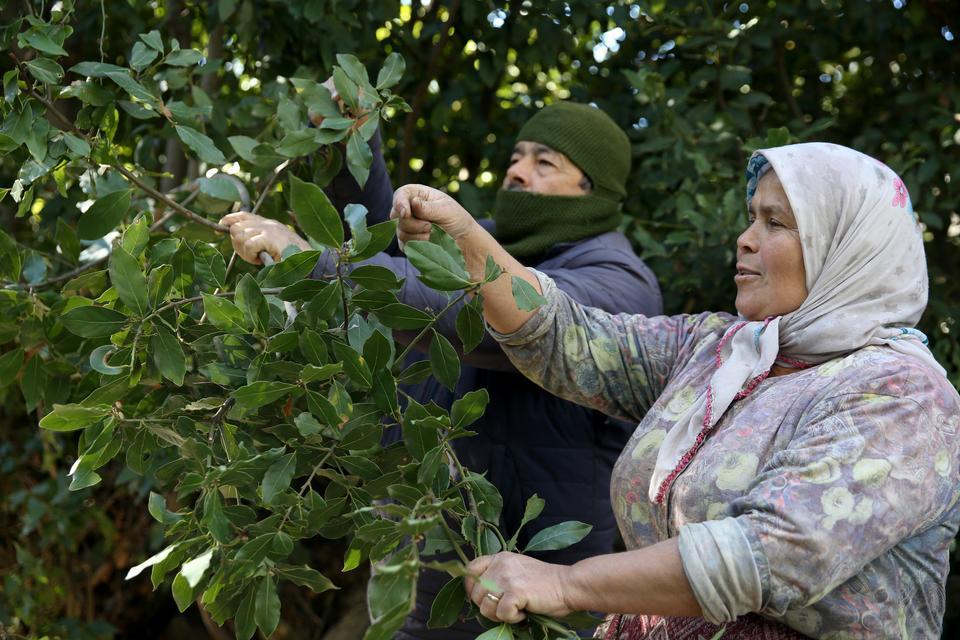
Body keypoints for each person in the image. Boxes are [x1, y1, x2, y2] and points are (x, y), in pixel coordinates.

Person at [389, 142, 960, 639]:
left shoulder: (903, 396)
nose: (745, 239)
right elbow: (568, 340)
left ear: (847, 248)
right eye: (750, 218)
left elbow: (764, 556)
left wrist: (564, 584)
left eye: (775, 223)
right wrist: (465, 237)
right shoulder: (721, 351)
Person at [221, 102, 663, 638]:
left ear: (592, 189)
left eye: (545, 162)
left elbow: (472, 310)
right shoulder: (482, 246)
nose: (517, 171)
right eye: (517, 156)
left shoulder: (617, 282)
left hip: (535, 593)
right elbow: (384, 256)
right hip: (427, 572)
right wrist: (348, 146)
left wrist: (313, 262)